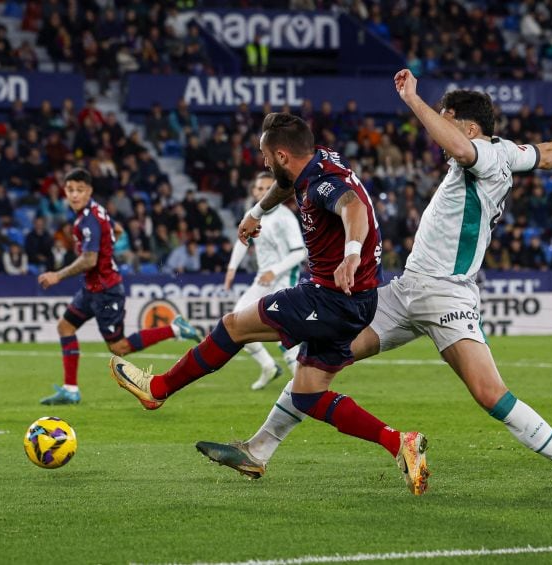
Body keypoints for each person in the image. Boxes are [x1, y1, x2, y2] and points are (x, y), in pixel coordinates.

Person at [196, 70, 552, 487]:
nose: (439, 132)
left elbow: (462, 150)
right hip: (406, 291)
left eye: (447, 121)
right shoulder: (507, 151)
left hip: (446, 296)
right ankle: (259, 449)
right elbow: (545, 153)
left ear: (470, 128)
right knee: (319, 359)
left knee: (488, 392)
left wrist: (412, 101)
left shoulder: (483, 155)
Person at [108, 113, 431, 496]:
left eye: (265, 156)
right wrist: (255, 213)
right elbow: (285, 185)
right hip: (352, 301)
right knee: (307, 394)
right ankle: (400, 443)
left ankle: (158, 389)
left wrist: (350, 254)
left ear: (281, 154)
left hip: (328, 298)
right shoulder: (316, 162)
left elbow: (353, 209)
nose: (263, 163)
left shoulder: (324, 182)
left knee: (233, 326)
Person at [37, 168, 202, 405]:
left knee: (119, 348)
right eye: (70, 190)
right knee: (65, 327)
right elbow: (118, 230)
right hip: (92, 288)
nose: (74, 195)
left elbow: (90, 259)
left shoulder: (89, 220)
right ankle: (70, 390)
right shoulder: (97, 211)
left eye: (79, 190)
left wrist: (57, 276)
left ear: (89, 191)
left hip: (106, 292)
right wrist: (107, 249)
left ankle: (175, 329)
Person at [224, 171, 307, 389]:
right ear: (253, 191)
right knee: (236, 322)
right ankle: (269, 367)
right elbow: (243, 240)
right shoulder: (252, 214)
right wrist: (232, 268)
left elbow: (300, 253)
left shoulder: (285, 218)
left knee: (283, 333)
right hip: (263, 279)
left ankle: (303, 384)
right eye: (259, 188)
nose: (262, 192)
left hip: (283, 280)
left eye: (267, 188)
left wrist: (275, 270)